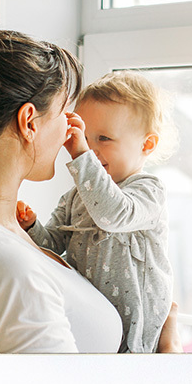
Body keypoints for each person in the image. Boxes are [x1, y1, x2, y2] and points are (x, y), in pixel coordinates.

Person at [0, 6, 180, 353]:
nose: (71, 130)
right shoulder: (7, 268)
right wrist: (170, 359)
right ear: (29, 122)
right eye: (66, 114)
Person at [17, 71, 175, 353]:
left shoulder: (148, 190)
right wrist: (31, 226)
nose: (90, 149)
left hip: (135, 332)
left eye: (104, 138)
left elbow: (113, 214)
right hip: (92, 324)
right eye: (84, 137)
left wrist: (81, 156)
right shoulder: (78, 195)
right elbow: (52, 245)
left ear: (146, 145)